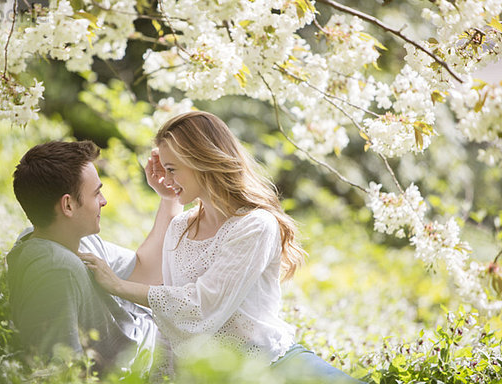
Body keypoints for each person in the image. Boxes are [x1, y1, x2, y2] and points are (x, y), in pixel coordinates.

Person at [79, 111, 364, 383]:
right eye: (165, 170)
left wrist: (116, 285)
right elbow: (169, 320)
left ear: (201, 160)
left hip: (273, 366)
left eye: (172, 169)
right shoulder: (179, 228)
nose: (166, 179)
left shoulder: (255, 226)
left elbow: (202, 306)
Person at [7, 140, 181, 374]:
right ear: (68, 205)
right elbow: (63, 370)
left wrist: (170, 198)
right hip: (156, 363)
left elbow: (145, 272)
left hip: (161, 334)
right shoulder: (56, 269)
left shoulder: (73, 240)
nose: (104, 201)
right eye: (96, 192)